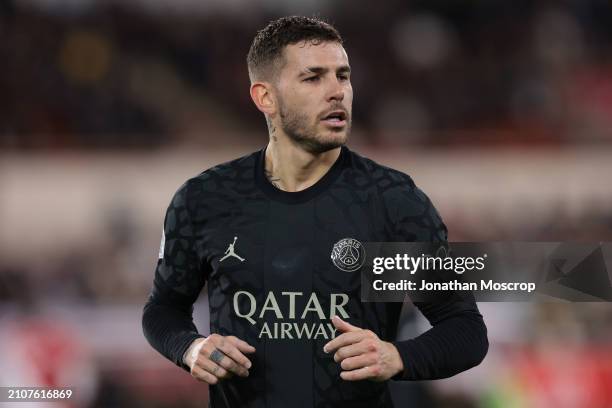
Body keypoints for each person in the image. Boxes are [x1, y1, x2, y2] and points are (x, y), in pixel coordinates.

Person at [142, 16, 488, 408]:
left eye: (343, 76)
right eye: (313, 78)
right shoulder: (206, 199)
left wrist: (397, 356)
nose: (337, 91)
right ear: (265, 97)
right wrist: (191, 348)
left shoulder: (391, 202)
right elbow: (164, 309)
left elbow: (464, 330)